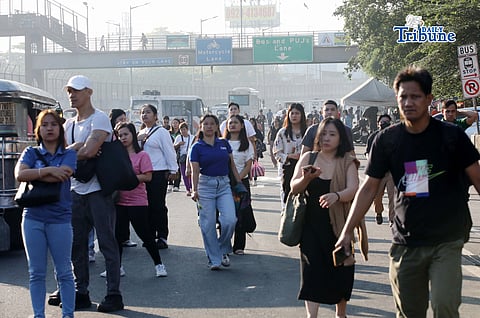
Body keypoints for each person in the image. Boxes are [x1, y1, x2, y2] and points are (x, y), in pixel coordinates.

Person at [336, 66, 480, 318]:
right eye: (403, 97)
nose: (408, 102)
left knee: (444, 306)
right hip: (407, 241)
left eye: (415, 96)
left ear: (428, 99)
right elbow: (369, 187)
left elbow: (479, 179)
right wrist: (347, 231)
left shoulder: (452, 136)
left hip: (447, 239)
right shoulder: (388, 140)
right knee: (409, 312)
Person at [290, 117, 366, 318]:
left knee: (341, 270)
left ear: (341, 138)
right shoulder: (309, 159)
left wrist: (337, 196)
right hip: (311, 226)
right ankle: (311, 316)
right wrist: (307, 178)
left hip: (339, 227)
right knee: (311, 271)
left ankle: (341, 314)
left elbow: (353, 189)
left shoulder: (347, 161)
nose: (326, 138)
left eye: (332, 134)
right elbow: (293, 187)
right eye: (323, 134)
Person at [60, 75, 124, 312]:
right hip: (76, 190)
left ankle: (114, 294)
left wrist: (76, 149)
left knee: (107, 243)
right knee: (77, 245)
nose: (71, 95)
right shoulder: (68, 123)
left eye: (76, 90)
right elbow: (61, 152)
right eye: (69, 91)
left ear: (89, 91)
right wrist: (75, 148)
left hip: (99, 190)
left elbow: (89, 150)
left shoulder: (100, 119)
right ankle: (81, 292)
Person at [16, 109, 77, 318]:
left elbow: (62, 176)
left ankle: (68, 315)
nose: (49, 128)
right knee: (36, 273)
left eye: (53, 124)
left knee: (65, 272)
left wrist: (36, 174)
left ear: (60, 129)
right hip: (32, 218)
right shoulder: (30, 152)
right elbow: (20, 174)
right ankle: (38, 315)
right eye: (44, 125)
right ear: (38, 130)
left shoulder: (69, 154)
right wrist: (49, 170)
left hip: (59, 218)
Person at [108, 122, 168, 277]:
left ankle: (159, 264)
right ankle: (117, 267)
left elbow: (148, 176)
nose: (123, 138)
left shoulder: (142, 155)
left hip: (138, 202)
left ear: (133, 135)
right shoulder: (116, 157)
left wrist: (129, 178)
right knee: (118, 236)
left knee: (146, 235)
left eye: (126, 134)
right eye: (120, 135)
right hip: (120, 201)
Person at [190, 114, 240, 270]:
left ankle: (222, 248)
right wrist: (194, 190)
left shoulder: (224, 143)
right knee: (208, 223)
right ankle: (214, 259)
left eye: (212, 124)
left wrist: (239, 184)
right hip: (205, 186)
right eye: (206, 124)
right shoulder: (197, 147)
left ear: (218, 126)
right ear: (201, 127)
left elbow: (232, 165)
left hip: (224, 185)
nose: (209, 126)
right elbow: (195, 170)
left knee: (230, 220)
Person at [138, 104, 178, 250]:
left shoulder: (161, 132)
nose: (145, 115)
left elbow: (169, 151)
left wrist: (173, 169)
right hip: (144, 174)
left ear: (155, 116)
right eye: (142, 113)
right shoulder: (141, 132)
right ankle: (150, 235)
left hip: (158, 173)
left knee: (158, 205)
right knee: (146, 206)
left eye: (148, 112)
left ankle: (162, 236)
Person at [224, 114, 254, 255]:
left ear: (242, 125)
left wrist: (238, 179)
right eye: (230, 123)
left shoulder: (246, 144)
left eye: (236, 123)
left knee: (240, 214)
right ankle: (225, 244)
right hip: (224, 183)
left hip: (241, 183)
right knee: (225, 214)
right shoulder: (222, 143)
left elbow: (248, 165)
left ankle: (239, 246)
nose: (233, 125)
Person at [107, 108, 137, 248]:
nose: (123, 122)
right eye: (120, 120)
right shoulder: (108, 136)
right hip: (112, 179)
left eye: (124, 119)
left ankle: (124, 237)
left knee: (123, 209)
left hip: (125, 180)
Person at [273, 102, 307, 205]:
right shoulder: (282, 132)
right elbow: (277, 152)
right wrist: (289, 156)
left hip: (304, 167)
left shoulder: (307, 132)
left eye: (297, 113)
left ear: (302, 115)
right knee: (287, 195)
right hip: (288, 167)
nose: (294, 116)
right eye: (292, 113)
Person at [364, 114, 395, 225]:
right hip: (378, 173)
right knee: (377, 196)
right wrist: (371, 164)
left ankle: (392, 219)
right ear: (378, 124)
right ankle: (378, 212)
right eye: (382, 122)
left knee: (393, 197)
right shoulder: (373, 137)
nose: (384, 124)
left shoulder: (394, 136)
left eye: (387, 122)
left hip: (391, 172)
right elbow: (367, 153)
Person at [173, 122, 194, 196]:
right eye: (181, 130)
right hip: (182, 158)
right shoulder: (179, 137)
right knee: (184, 174)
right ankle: (188, 189)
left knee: (191, 173)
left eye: (184, 129)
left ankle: (192, 187)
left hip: (191, 157)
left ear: (187, 129)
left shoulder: (192, 137)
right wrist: (179, 144)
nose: (183, 131)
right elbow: (173, 147)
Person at [169, 118, 182, 192]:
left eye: (176, 123)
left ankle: (176, 185)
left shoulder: (181, 133)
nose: (175, 124)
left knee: (178, 169)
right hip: (170, 152)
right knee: (170, 168)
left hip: (178, 153)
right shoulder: (168, 133)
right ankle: (170, 182)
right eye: (173, 123)